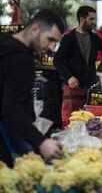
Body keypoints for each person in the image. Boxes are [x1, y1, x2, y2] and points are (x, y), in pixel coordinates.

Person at [0, 9, 65, 167]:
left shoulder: (4, 41)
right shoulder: (22, 60)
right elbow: (12, 108)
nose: (51, 47)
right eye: (50, 39)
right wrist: (41, 142)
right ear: (35, 29)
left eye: (55, 42)